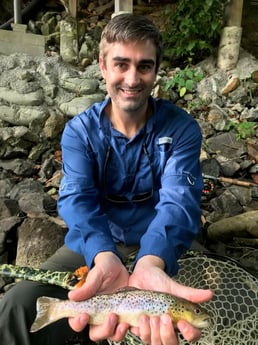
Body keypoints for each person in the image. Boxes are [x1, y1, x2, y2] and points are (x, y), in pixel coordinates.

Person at [0, 13, 212, 345]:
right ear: (102, 66)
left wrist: (151, 259)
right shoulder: (78, 132)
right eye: (121, 64)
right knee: (17, 304)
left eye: (144, 66)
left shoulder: (182, 129)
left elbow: (179, 202)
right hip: (96, 246)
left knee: (193, 322)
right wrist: (102, 254)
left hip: (164, 246)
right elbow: (77, 201)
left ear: (156, 71)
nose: (132, 78)